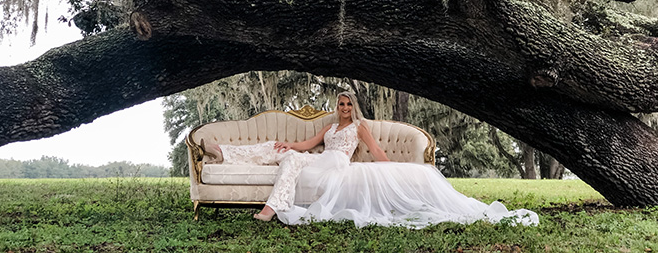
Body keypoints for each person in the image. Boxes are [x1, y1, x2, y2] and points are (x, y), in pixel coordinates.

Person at [201, 92, 539, 228]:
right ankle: (226, 152)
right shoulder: (330, 126)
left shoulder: (359, 127)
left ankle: (270, 209)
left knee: (290, 160)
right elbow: (307, 143)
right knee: (284, 153)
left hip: (335, 165)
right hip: (317, 158)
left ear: (354, 108)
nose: (344, 109)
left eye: (348, 105)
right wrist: (288, 143)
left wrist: (390, 166)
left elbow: (376, 151)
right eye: (341, 104)